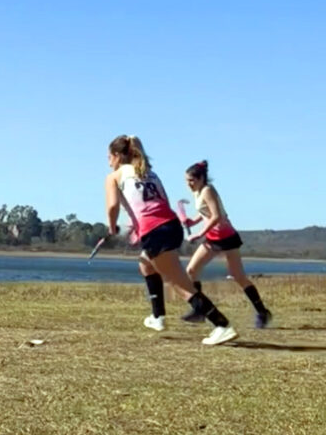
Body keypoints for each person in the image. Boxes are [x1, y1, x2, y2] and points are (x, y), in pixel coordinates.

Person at [104, 135, 237, 345]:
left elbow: (112, 207)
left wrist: (112, 227)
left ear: (118, 156)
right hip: (171, 226)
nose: (109, 162)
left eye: (109, 157)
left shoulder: (114, 176)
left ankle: (221, 325)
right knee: (145, 265)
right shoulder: (149, 173)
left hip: (156, 231)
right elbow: (161, 202)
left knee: (180, 285)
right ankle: (158, 317)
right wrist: (138, 225)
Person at [182, 160, 272, 328]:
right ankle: (200, 310)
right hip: (212, 239)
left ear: (201, 178)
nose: (188, 184)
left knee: (238, 277)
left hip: (227, 237)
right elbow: (204, 213)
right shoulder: (198, 192)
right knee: (191, 271)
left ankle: (262, 312)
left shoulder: (208, 190)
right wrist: (192, 221)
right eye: (186, 181)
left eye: (191, 181)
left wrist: (199, 234)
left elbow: (216, 216)